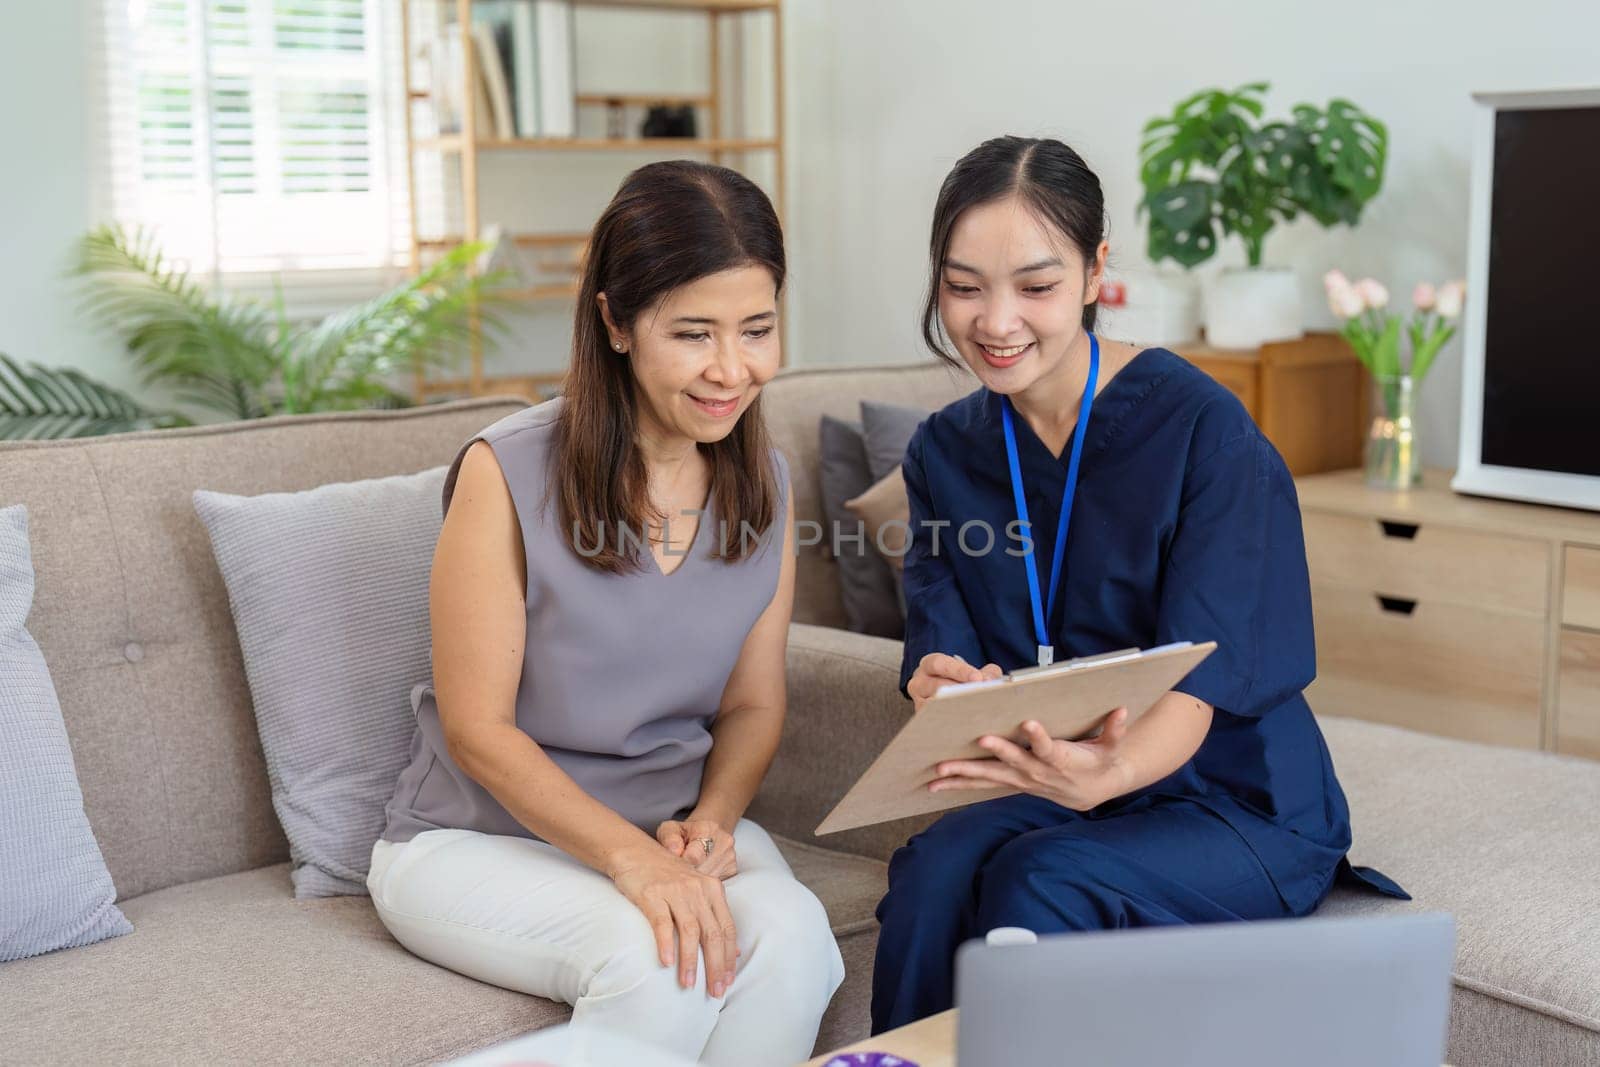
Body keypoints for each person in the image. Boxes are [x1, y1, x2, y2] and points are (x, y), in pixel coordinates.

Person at [870, 136, 1408, 1034]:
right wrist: (943, 681)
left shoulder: (1206, 433)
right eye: (964, 286)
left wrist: (1111, 769)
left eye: (1036, 286)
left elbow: (1202, 682)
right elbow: (942, 637)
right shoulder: (944, 452)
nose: (996, 321)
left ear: (1094, 272)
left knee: (1040, 877)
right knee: (931, 873)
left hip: (1235, 800)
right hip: (1063, 779)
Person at [369, 160, 844, 1066]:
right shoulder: (506, 471)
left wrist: (711, 820)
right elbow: (478, 728)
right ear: (616, 322)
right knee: (661, 960)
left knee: (795, 943)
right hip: (475, 839)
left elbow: (752, 704)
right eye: (693, 333)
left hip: (671, 826)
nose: (731, 369)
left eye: (757, 329)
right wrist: (634, 860)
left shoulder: (765, 483)